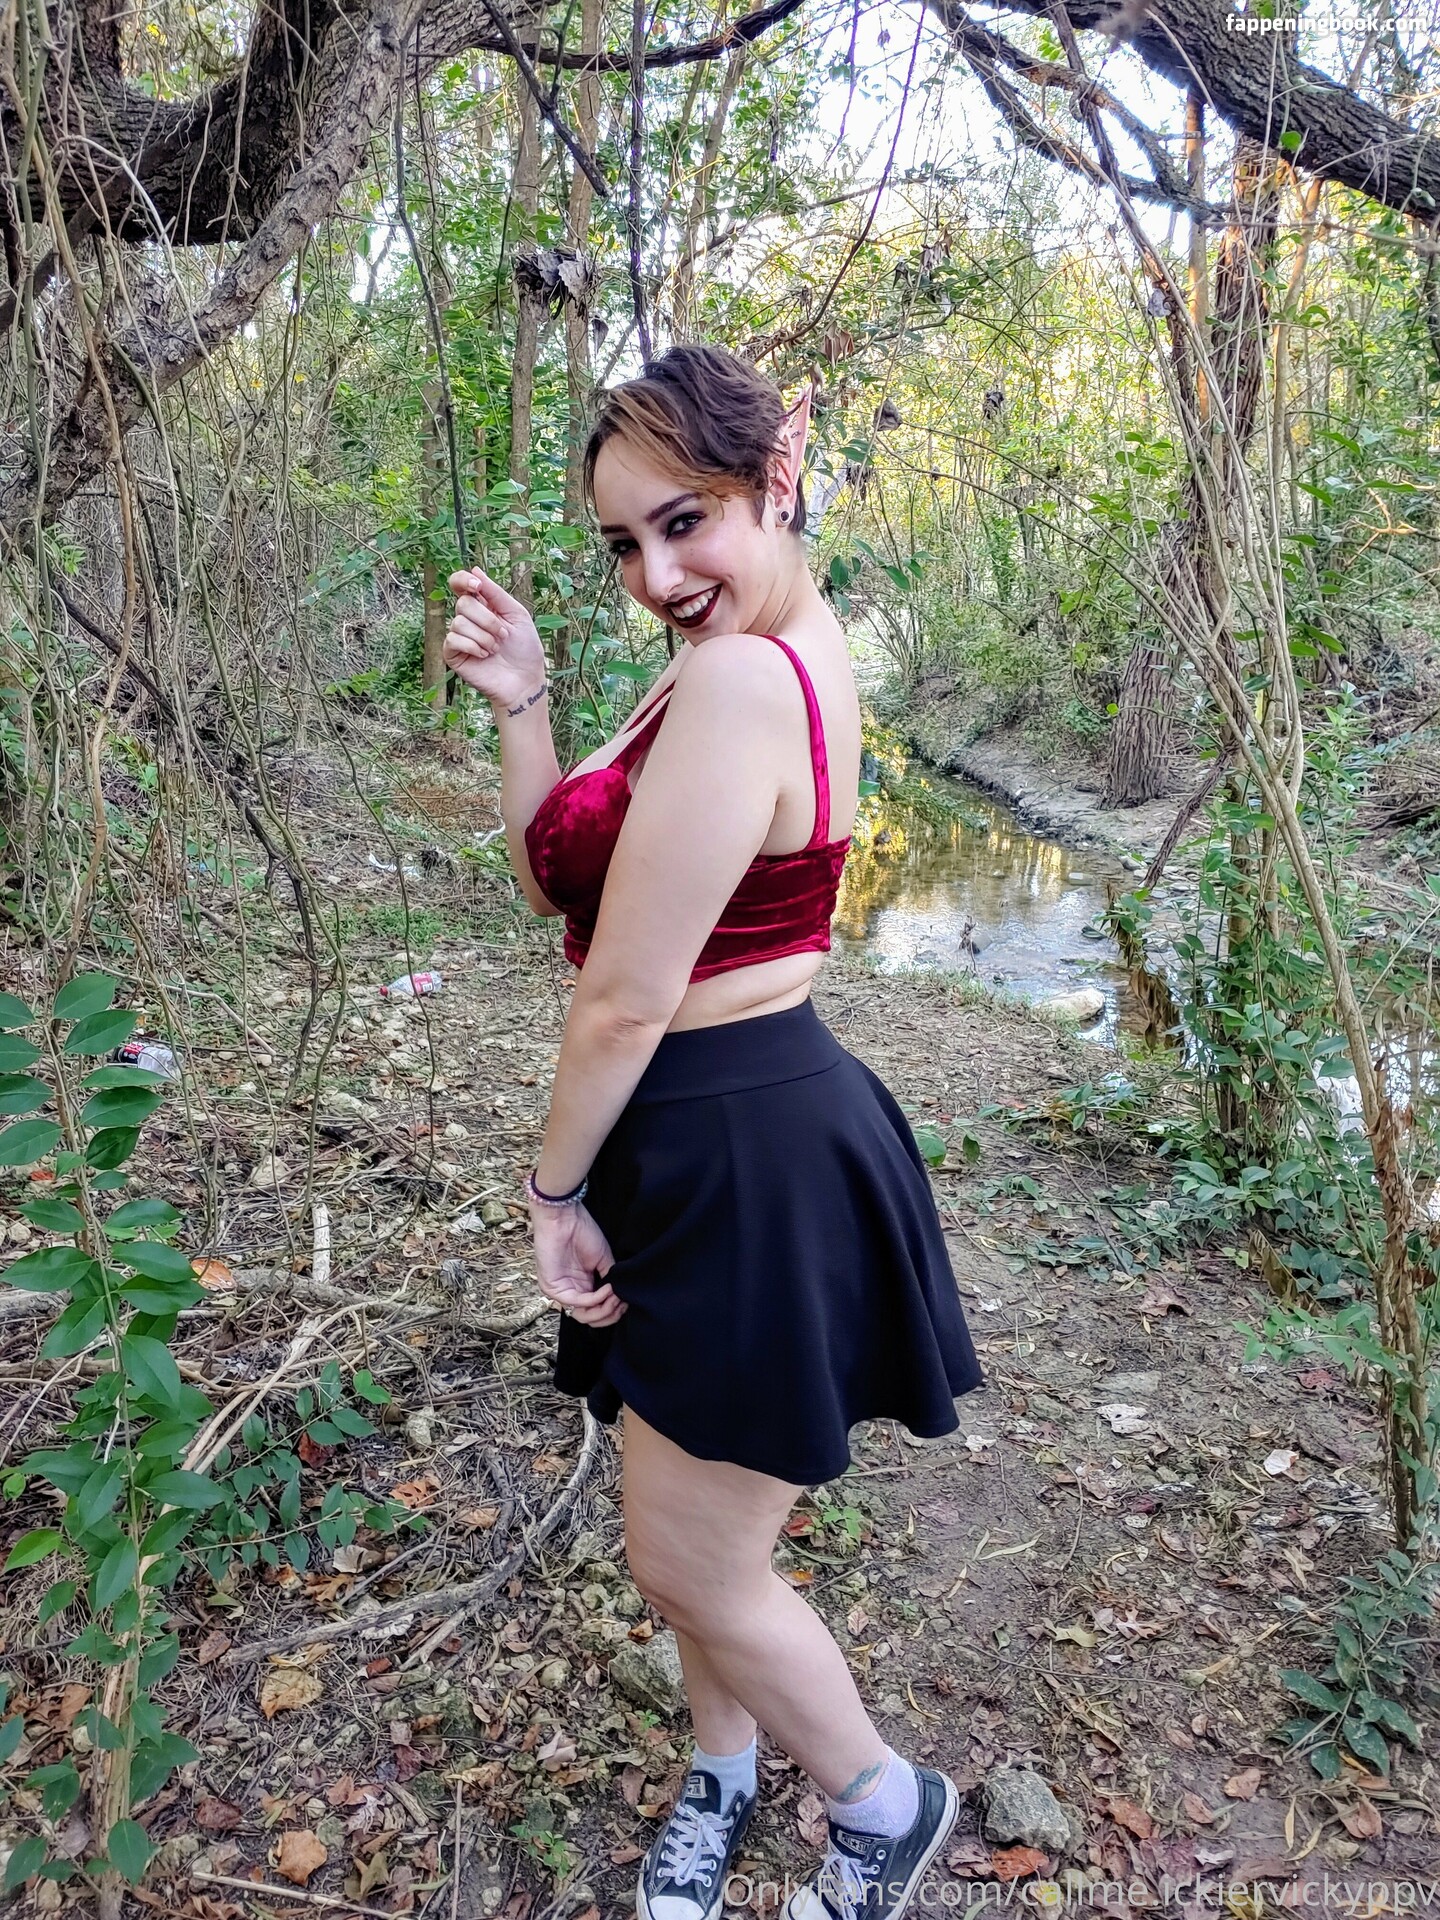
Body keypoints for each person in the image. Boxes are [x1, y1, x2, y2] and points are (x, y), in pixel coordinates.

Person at [443, 345, 982, 1920]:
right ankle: (723, 1769)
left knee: (692, 1563)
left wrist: (549, 1191)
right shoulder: (737, 648)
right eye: (624, 543)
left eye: (685, 523)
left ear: (776, 480)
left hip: (737, 1149)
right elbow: (563, 879)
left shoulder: (746, 677)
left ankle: (882, 1809)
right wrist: (527, 704)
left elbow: (622, 996)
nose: (657, 576)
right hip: (697, 1136)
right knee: (677, 1517)